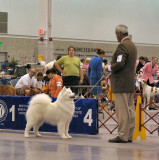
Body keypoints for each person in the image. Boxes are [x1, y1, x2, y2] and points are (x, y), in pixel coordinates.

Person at [106, 24, 137, 143]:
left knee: (122, 110)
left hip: (121, 84)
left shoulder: (122, 46)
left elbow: (119, 64)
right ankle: (129, 135)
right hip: (129, 83)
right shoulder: (132, 45)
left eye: (116, 35)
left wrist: (109, 68)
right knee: (130, 109)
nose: (116, 37)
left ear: (119, 33)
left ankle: (122, 135)